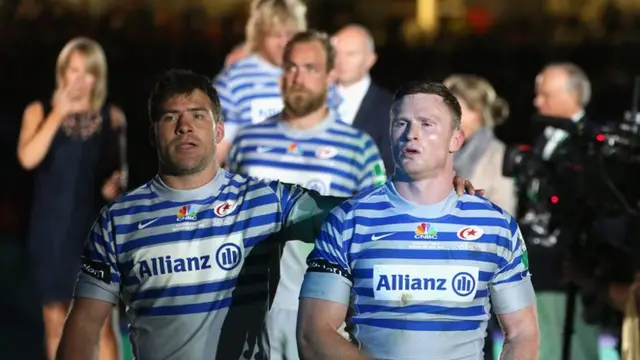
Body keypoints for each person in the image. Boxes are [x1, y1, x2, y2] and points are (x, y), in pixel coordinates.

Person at [56, 70, 479, 360]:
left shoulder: (268, 202)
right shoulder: (119, 221)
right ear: (154, 134)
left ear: (219, 130)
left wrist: (438, 190)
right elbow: (84, 324)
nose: (185, 127)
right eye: (171, 118)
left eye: (198, 115)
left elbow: (361, 213)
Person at [297, 80, 539, 360]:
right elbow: (313, 333)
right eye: (401, 123)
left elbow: (523, 334)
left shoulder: (496, 226)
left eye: (427, 124)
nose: (412, 134)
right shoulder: (348, 220)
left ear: (456, 139)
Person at [227, 30, 386, 360]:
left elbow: (376, 238)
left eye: (310, 68)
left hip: (324, 324)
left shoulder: (358, 148)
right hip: (249, 324)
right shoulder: (248, 143)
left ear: (331, 75)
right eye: (290, 67)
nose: (297, 77)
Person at [17, 37, 126, 360]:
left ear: (98, 77)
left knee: (102, 324)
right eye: (73, 71)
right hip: (50, 234)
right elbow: (27, 157)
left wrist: (116, 185)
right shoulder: (38, 110)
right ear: (62, 73)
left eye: (87, 73)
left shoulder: (112, 117)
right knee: (55, 320)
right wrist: (58, 113)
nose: (79, 80)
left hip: (93, 236)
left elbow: (118, 174)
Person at [528, 62, 599, 360]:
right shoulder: (545, 136)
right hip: (540, 261)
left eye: (545, 94)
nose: (537, 101)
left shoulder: (591, 142)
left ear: (571, 96)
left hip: (573, 265)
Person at [214, 0, 307, 166]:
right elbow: (216, 152)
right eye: (276, 35)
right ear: (260, 35)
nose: (284, 43)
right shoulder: (233, 80)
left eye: (290, 34)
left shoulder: (315, 77)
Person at [332, 24, 394, 173]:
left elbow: (392, 167)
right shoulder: (317, 100)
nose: (341, 60)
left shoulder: (389, 107)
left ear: (370, 59)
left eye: (351, 54)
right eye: (335, 53)